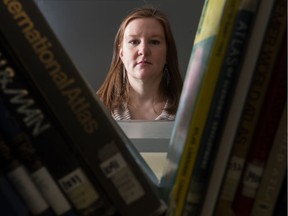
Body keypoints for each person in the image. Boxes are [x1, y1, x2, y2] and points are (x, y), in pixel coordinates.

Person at [97, 7, 183, 120]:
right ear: (121, 53)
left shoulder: (192, 111)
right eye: (134, 42)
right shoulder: (94, 109)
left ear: (167, 53)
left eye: (154, 42)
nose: (143, 50)